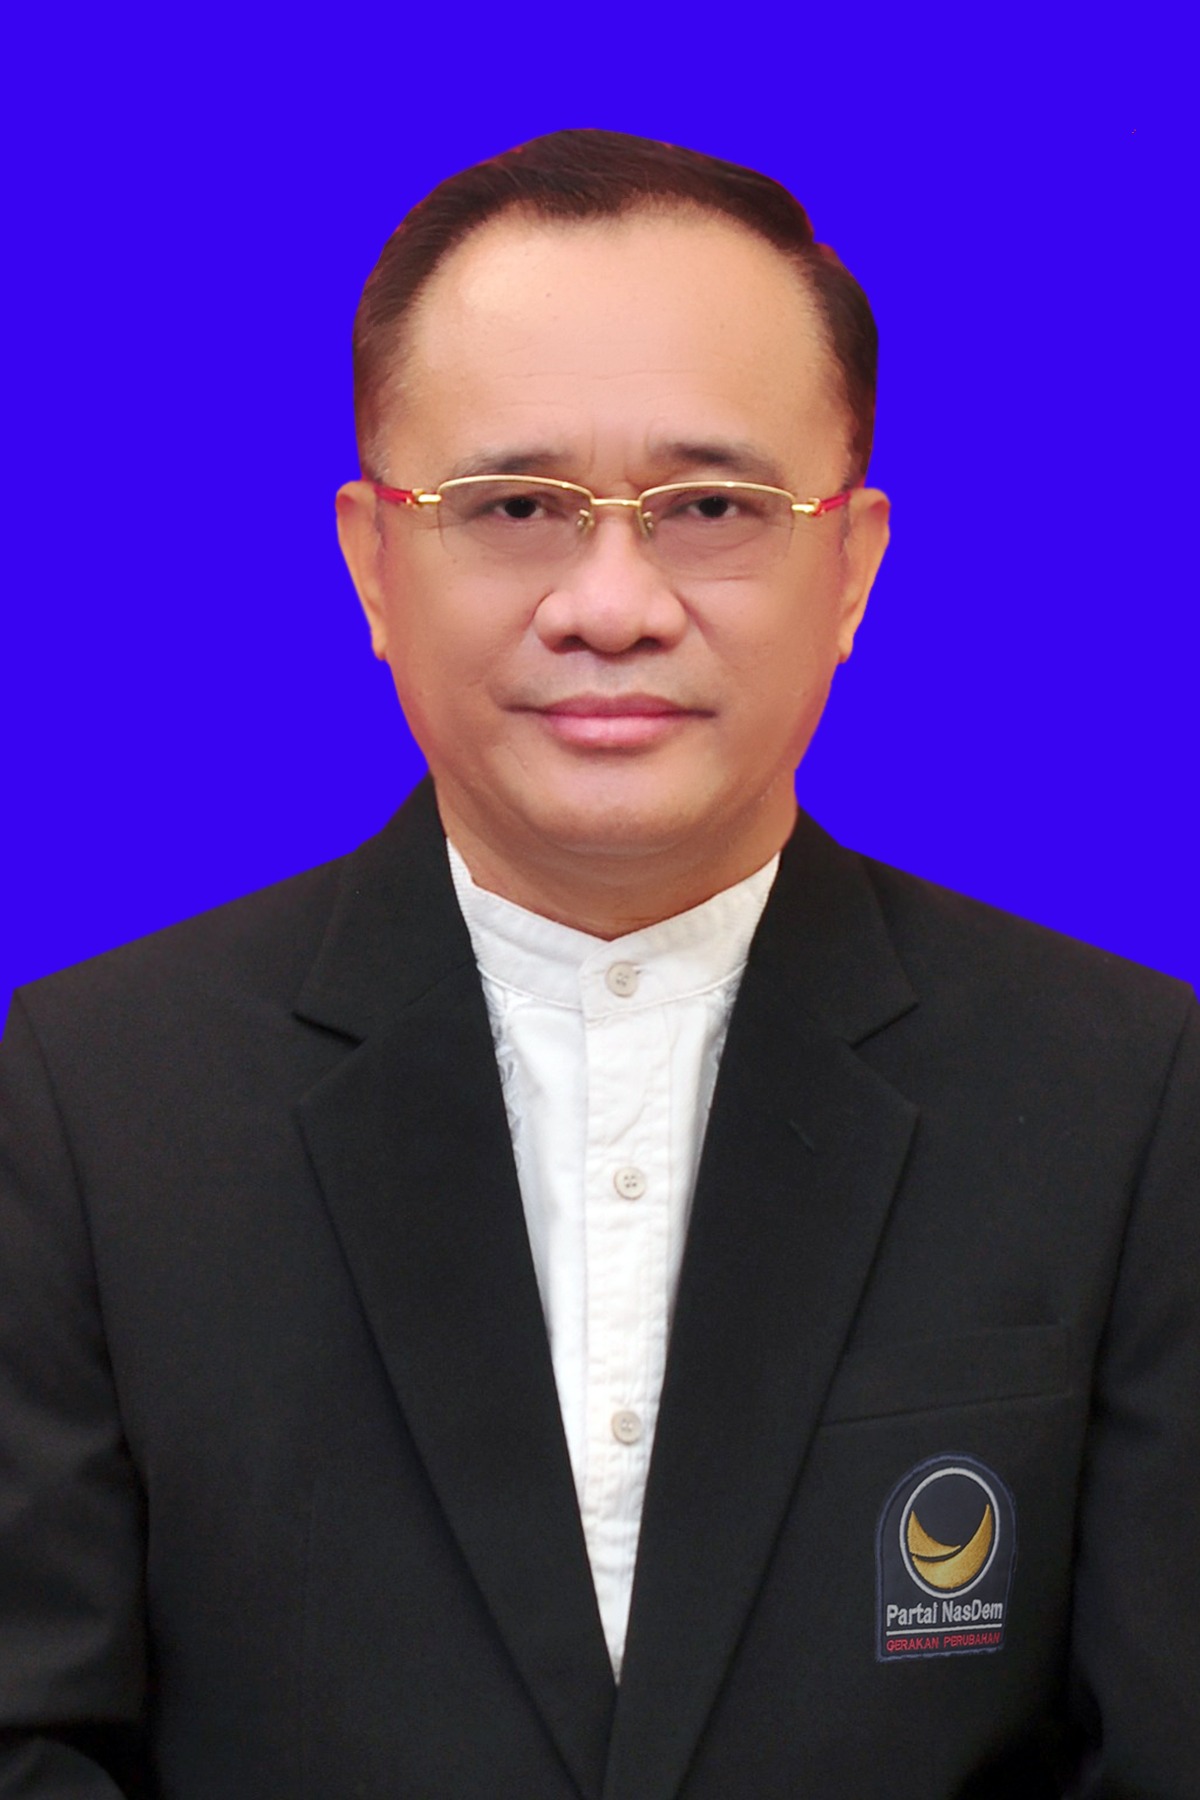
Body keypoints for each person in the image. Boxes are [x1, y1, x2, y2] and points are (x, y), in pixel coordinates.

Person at [0, 128, 1197, 1800]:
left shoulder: (1126, 1091)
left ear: (852, 565)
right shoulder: (94, 1096)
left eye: (711, 507)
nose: (612, 604)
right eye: (515, 508)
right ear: (372, 562)